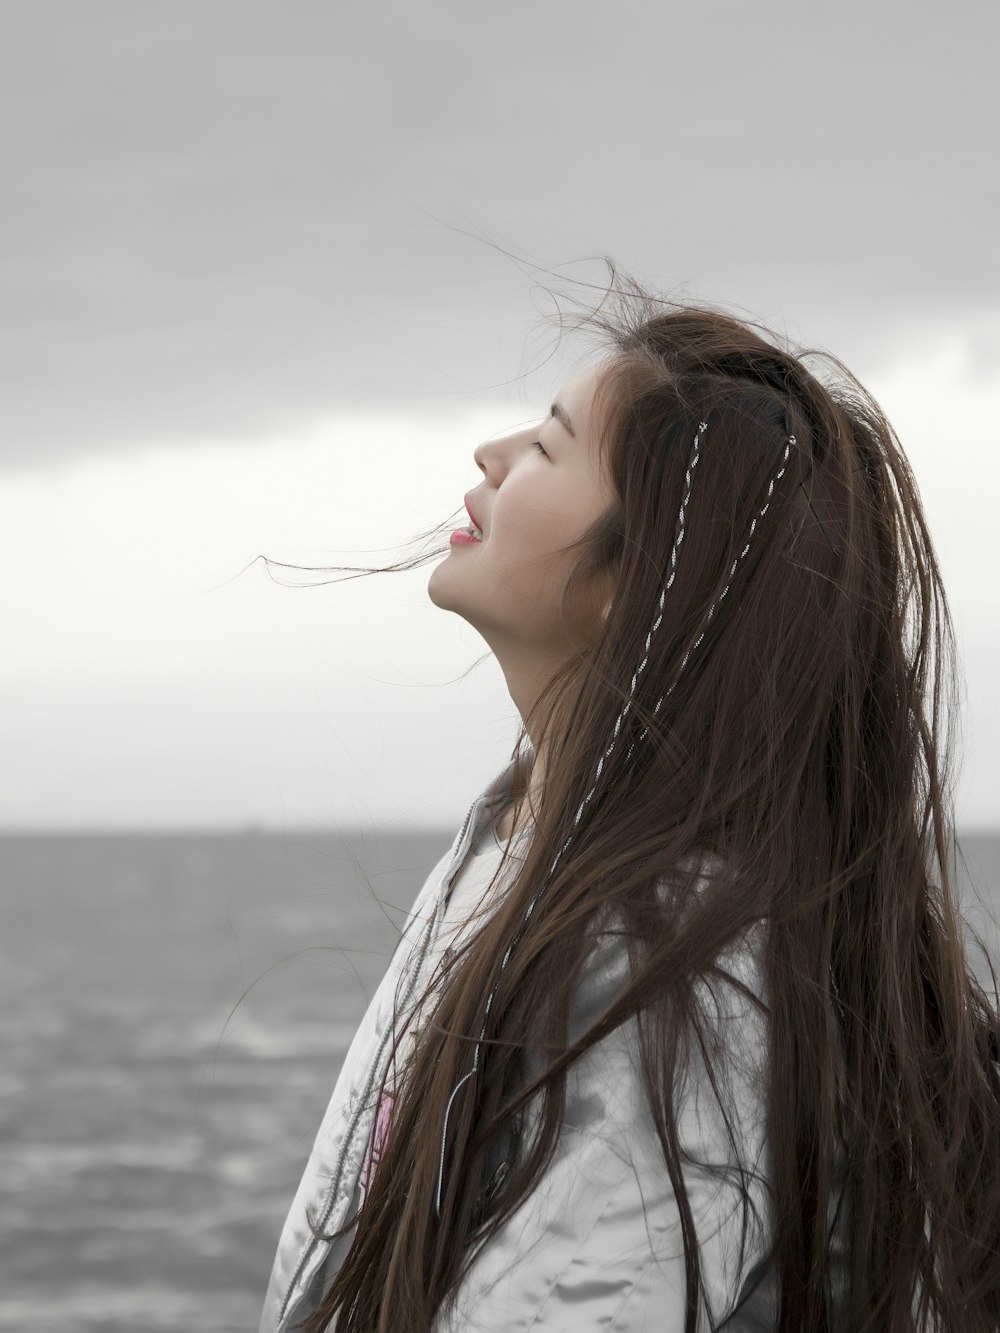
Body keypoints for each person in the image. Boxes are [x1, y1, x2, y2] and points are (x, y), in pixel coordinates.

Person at [258, 270, 1000, 1332]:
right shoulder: (525, 844)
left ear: (634, 576)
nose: (491, 453)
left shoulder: (668, 961)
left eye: (549, 444)